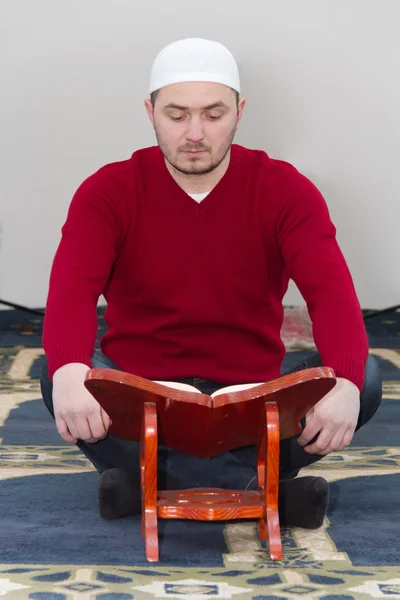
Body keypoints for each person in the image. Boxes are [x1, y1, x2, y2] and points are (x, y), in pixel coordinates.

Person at [40, 38, 382, 529]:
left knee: (363, 378)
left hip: (250, 399)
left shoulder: (285, 190)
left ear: (239, 112)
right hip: (141, 395)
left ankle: (148, 485)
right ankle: (258, 489)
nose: (195, 133)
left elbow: (331, 295)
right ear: (150, 111)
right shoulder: (107, 191)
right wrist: (69, 369)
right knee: (62, 372)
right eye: (176, 115)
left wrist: (346, 382)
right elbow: (70, 293)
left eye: (213, 114)